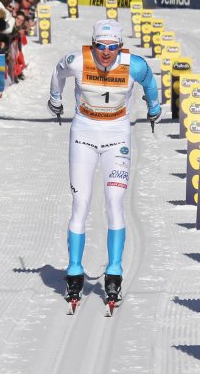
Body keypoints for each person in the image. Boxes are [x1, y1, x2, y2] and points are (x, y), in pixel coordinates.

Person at [47, 19, 162, 310]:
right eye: (101, 46)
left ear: (120, 46)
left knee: (114, 202)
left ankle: (114, 272)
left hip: (116, 135)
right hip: (84, 133)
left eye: (112, 47)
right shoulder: (77, 61)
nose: (106, 53)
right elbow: (58, 72)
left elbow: (150, 82)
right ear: (93, 44)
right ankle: (74, 271)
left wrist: (154, 107)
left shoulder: (134, 65)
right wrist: (55, 99)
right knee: (80, 203)